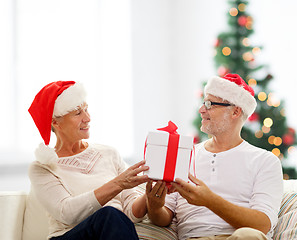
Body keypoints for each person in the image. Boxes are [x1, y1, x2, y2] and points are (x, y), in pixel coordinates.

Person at [145, 73, 283, 240]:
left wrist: (210, 200)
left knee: (248, 236)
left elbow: (262, 225)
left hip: (240, 238)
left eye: (210, 104)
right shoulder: (186, 154)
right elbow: (163, 217)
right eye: (203, 103)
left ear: (235, 112)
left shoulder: (265, 161)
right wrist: (154, 208)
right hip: (193, 238)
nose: (201, 110)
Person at [28, 81, 149, 240]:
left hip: (111, 232)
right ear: (56, 122)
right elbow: (67, 213)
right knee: (109, 215)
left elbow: (132, 214)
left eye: (86, 109)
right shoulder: (42, 168)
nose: (88, 118)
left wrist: (150, 195)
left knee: (113, 217)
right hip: (68, 236)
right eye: (78, 113)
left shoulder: (109, 153)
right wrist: (118, 184)